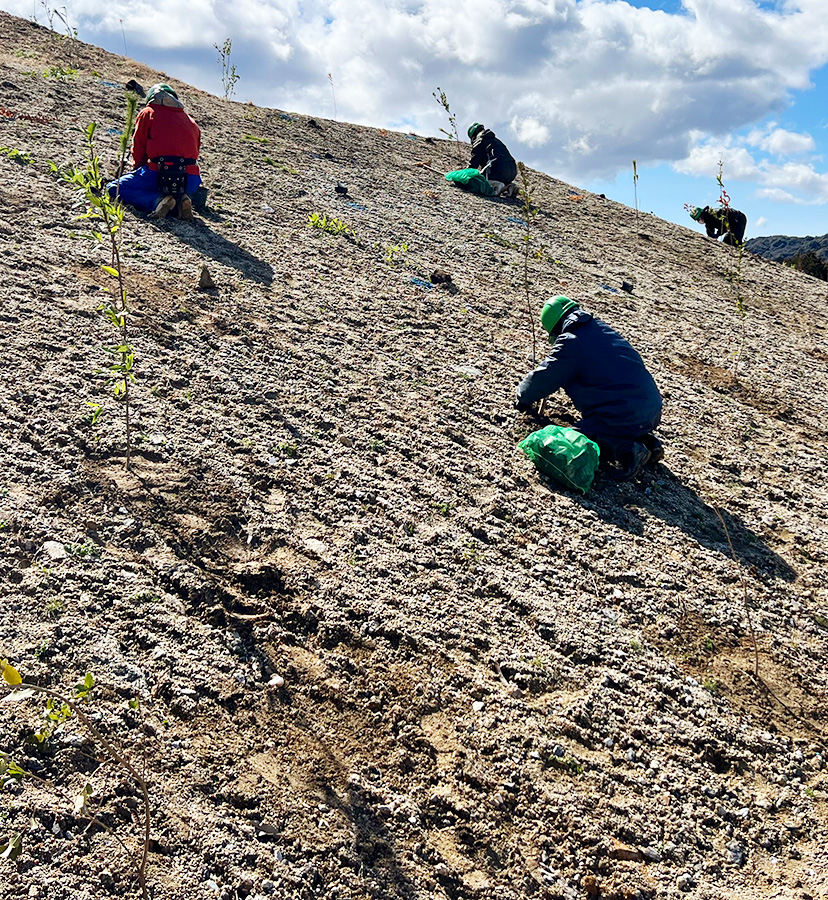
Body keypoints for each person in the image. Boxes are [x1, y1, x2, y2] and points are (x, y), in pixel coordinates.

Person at [515, 296, 663, 481]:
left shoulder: (572, 342)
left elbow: (546, 375)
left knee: (575, 439)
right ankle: (647, 442)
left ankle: (628, 450)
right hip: (651, 410)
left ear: (555, 328)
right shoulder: (601, 329)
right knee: (609, 420)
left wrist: (523, 397)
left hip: (625, 414)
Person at [107, 83, 202, 220]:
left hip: (158, 175)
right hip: (190, 180)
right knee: (170, 185)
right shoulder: (192, 122)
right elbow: (195, 153)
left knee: (113, 188)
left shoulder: (148, 113)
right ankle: (180, 199)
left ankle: (158, 202)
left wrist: (137, 168)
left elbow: (138, 147)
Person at [467, 123, 518, 195]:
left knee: (478, 180)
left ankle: (496, 185)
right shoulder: (495, 140)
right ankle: (509, 186)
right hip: (512, 170)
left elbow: (474, 163)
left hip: (499, 169)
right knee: (494, 174)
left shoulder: (479, 141)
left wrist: (466, 174)